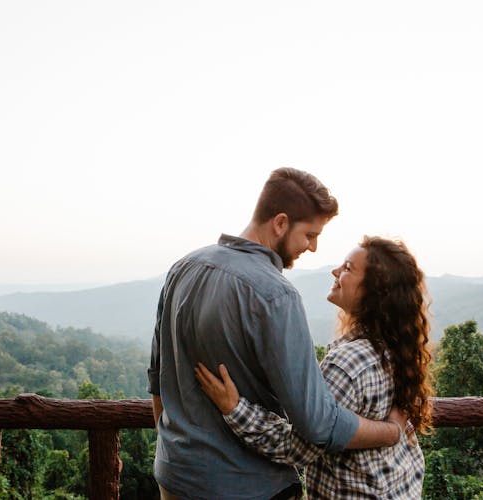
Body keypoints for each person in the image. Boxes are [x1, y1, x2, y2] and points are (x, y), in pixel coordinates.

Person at [148, 169, 407, 499]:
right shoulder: (275, 295)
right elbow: (318, 423)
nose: (312, 247)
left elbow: (157, 377)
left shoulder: (183, 268)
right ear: (281, 223)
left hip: (173, 478)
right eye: (310, 234)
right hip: (249, 484)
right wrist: (390, 432)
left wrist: (173, 451)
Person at [196, 236, 433, 499]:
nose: (335, 271)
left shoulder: (346, 364)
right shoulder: (395, 347)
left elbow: (300, 448)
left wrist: (235, 408)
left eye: (347, 268)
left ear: (374, 291)